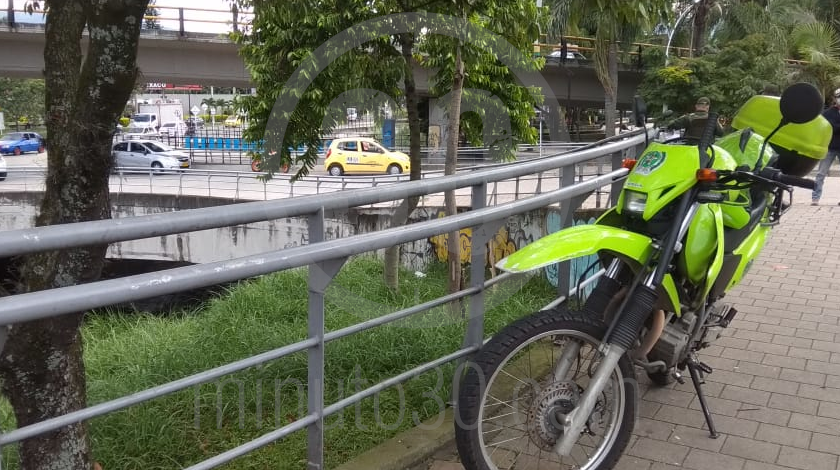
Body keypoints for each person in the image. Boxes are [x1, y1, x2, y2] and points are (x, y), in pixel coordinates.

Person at [811, 88, 840, 205]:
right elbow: (830, 127)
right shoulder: (828, 113)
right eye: (838, 97)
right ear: (835, 99)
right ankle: (815, 198)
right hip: (830, 148)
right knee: (821, 173)